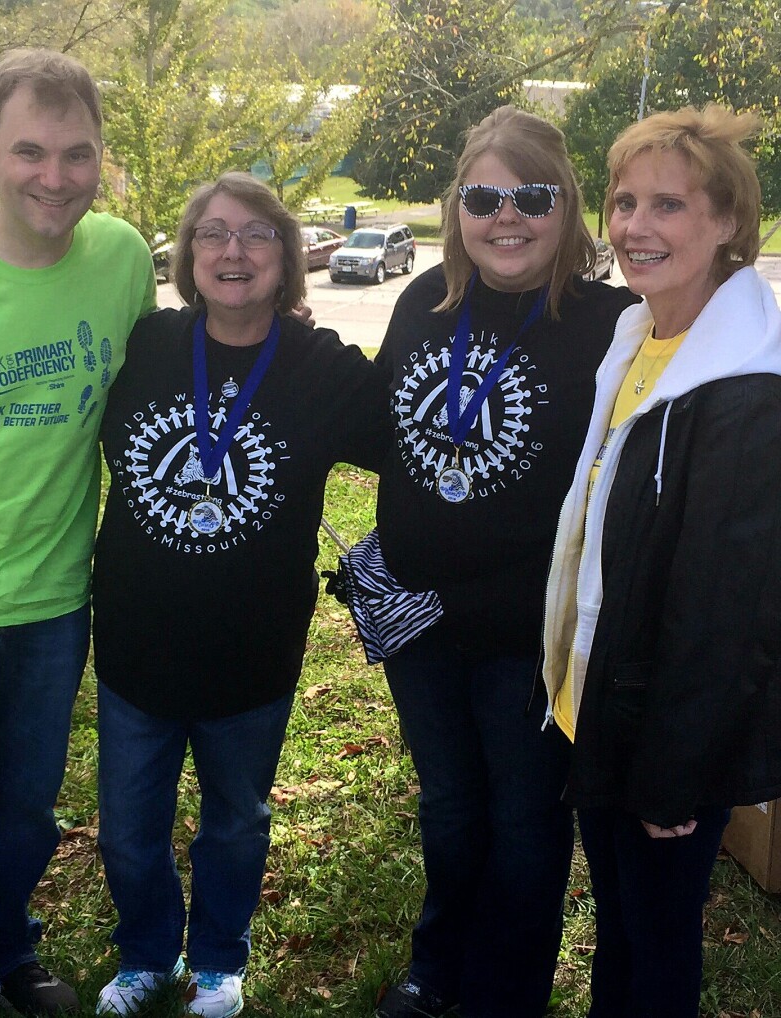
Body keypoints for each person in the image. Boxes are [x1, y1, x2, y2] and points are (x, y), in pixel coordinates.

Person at [90, 171, 388, 1018]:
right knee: (128, 827)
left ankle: (218, 959)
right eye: (213, 233)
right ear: (186, 255)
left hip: (253, 654)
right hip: (136, 646)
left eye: (257, 234)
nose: (233, 251)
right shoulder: (144, 344)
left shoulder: (320, 365)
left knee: (235, 821)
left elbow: (412, 439)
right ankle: (147, 953)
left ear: (289, 260)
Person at [0, 49, 156, 1017]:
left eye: (77, 154)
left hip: (53, 598)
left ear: (101, 159)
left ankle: (1, 952)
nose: (55, 177)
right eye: (30, 152)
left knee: (21, 811)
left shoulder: (123, 257)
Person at [368, 107, 637, 1018]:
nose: (506, 217)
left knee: (524, 826)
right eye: (484, 197)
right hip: (421, 629)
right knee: (450, 813)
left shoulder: (612, 321)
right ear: (457, 208)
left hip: (530, 636)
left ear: (566, 205)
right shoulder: (423, 300)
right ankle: (437, 968)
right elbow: (392, 431)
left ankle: (506, 992)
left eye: (532, 196)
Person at [542, 105, 781, 1017]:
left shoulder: (747, 387)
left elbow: (728, 608)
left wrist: (676, 771)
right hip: (601, 702)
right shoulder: (637, 337)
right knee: (622, 930)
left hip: (664, 739)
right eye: (625, 200)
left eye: (669, 206)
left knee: (659, 945)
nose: (636, 227)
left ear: (728, 225)